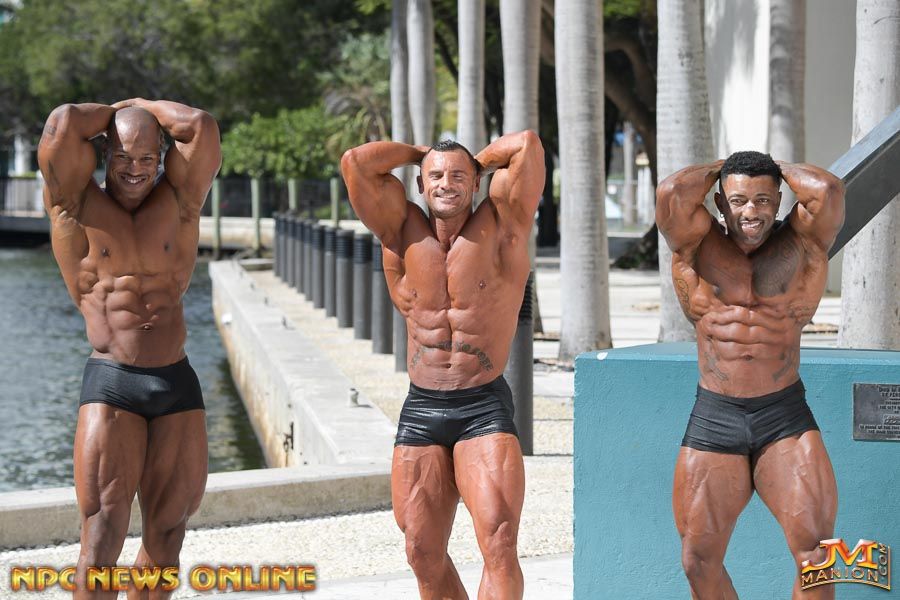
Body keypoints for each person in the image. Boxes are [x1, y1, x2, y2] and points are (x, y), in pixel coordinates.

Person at [341, 132, 544, 599]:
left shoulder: (503, 224)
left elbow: (527, 145)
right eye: (435, 175)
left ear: (474, 183)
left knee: (499, 539)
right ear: (419, 183)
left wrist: (474, 162)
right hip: (422, 408)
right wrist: (423, 154)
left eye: (457, 177)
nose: (446, 184)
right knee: (421, 549)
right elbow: (356, 163)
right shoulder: (400, 231)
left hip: (482, 406)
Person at [37, 98, 221, 598]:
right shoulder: (73, 204)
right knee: (101, 538)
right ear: (104, 154)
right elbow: (63, 123)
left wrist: (141, 107)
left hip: (177, 381)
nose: (134, 169)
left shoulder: (181, 201)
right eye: (122, 156)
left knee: (168, 537)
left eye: (146, 157)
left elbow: (200, 126)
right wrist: (118, 110)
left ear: (161, 156)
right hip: (113, 382)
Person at [656, 151, 845, 599]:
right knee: (698, 560)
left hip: (783, 416)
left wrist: (773, 166)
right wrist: (724, 166)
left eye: (763, 200)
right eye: (739, 200)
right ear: (720, 202)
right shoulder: (696, 245)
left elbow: (828, 190)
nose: (751, 212)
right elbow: (672, 193)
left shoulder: (802, 243)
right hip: (716, 416)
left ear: (779, 200)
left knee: (817, 556)